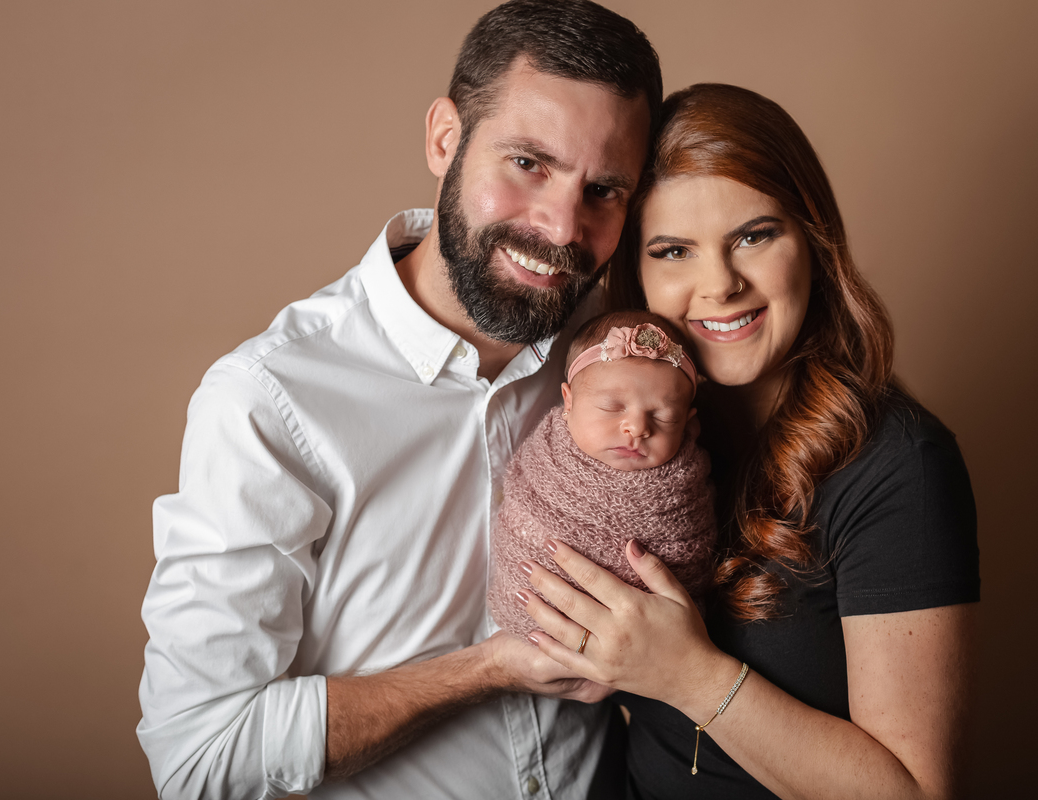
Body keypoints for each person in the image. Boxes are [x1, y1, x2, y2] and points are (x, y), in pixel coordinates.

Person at [136, 2, 660, 798]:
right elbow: (201, 756)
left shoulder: (622, 352)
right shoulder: (271, 401)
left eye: (604, 190)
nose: (562, 227)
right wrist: (485, 670)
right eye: (528, 163)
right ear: (445, 139)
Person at [517, 83, 980, 799]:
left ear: (813, 242)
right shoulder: (643, 439)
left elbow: (916, 793)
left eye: (754, 236)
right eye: (674, 250)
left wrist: (689, 676)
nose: (720, 284)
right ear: (636, 272)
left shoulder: (899, 465)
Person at [488, 310, 717, 640]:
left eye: (664, 417)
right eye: (612, 407)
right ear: (568, 402)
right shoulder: (545, 463)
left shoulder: (687, 490)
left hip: (651, 644)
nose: (637, 428)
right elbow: (521, 527)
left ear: (687, 422)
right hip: (531, 638)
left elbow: (691, 564)